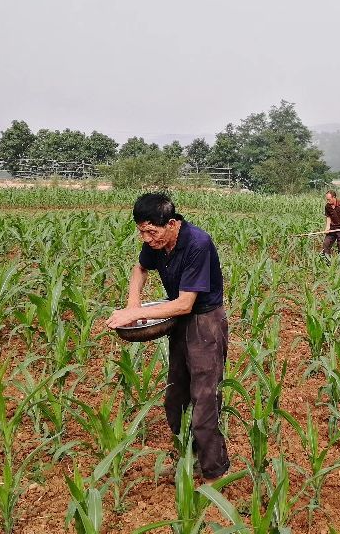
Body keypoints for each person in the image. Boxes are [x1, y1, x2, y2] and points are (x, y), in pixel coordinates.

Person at [105, 192, 230, 481]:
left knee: (204, 399)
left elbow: (186, 303)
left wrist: (133, 316)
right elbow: (140, 269)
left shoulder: (197, 243)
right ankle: (190, 456)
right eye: (141, 232)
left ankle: (215, 472)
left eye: (152, 231)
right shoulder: (156, 244)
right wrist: (133, 303)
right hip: (179, 322)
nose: (147, 239)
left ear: (172, 224)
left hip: (205, 322)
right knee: (175, 396)